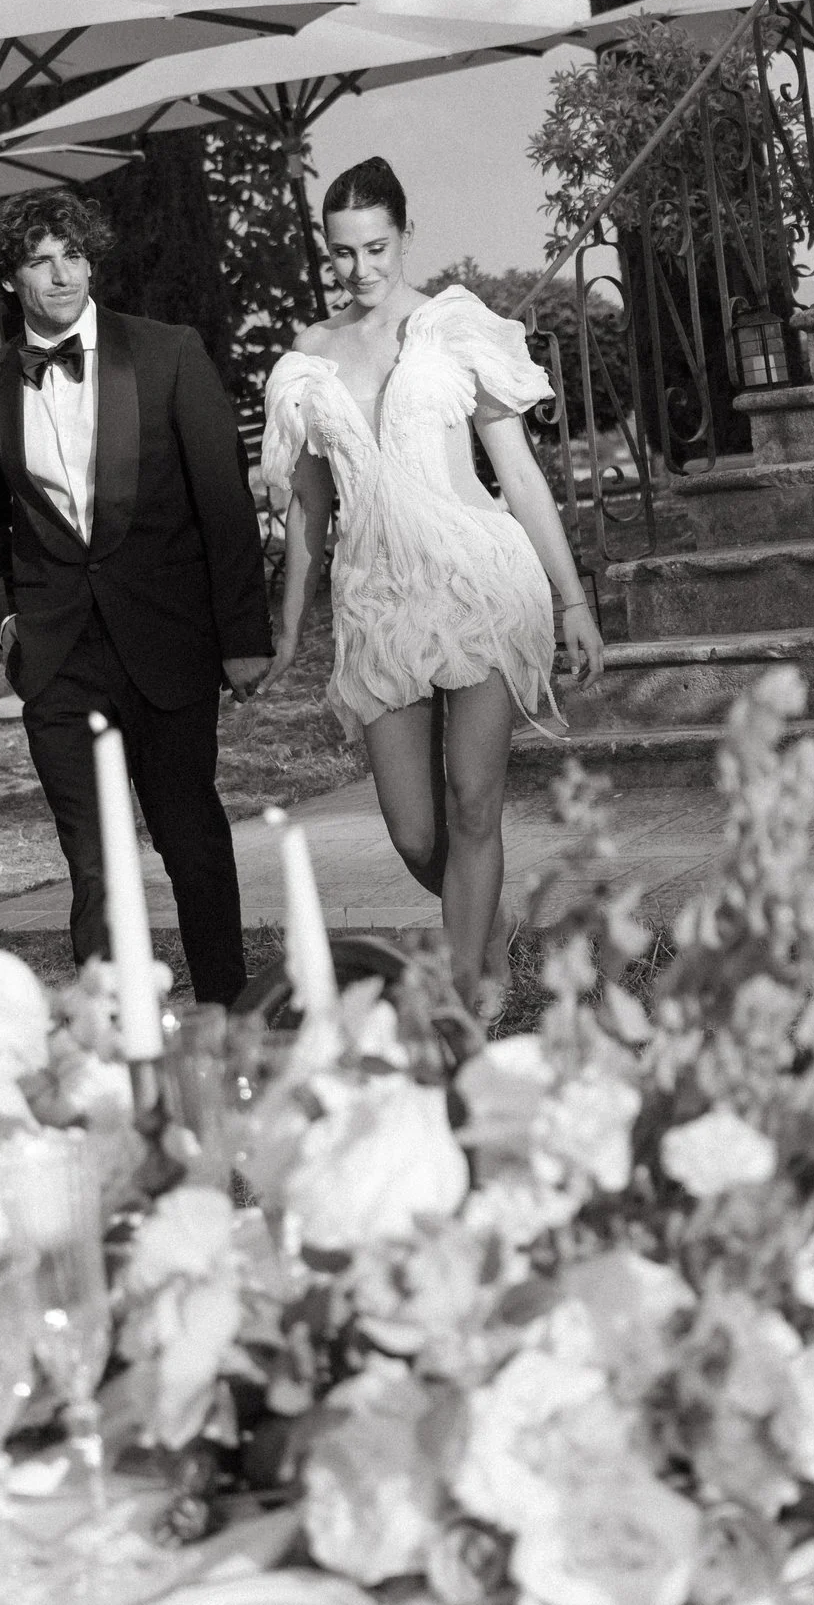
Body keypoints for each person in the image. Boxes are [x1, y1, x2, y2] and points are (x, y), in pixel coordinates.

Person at [254, 159, 604, 993]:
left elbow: (517, 475)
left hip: (480, 581)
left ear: (407, 238)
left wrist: (573, 600)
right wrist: (289, 626)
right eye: (343, 253)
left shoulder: (456, 327)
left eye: (378, 248)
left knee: (472, 798)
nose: (361, 269)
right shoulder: (308, 358)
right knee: (415, 832)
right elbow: (308, 510)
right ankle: (490, 932)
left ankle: (469, 996)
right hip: (377, 600)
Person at [0, 190, 269, 1005]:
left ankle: (228, 1013)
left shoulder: (166, 353)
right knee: (92, 858)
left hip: (168, 639)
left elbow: (224, 499)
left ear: (92, 260)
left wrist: (243, 635)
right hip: (57, 652)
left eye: (73, 256)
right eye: (39, 261)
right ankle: (115, 1038)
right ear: (11, 280)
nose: (60, 275)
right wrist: (6, 619)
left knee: (188, 835)